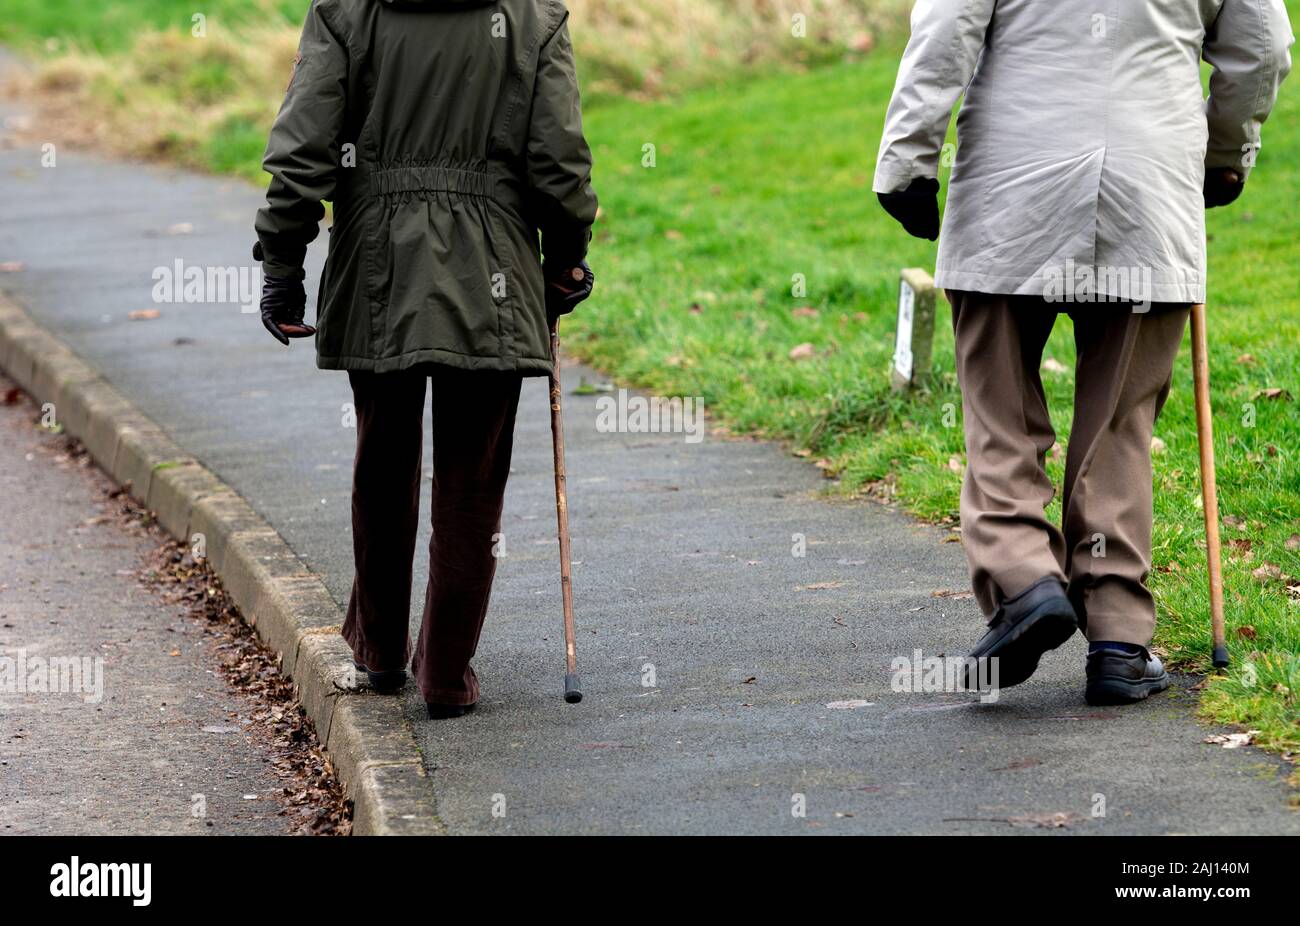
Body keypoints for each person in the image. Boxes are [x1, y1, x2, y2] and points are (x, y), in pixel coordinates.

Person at [873, 0, 1292, 704]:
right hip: (1148, 185)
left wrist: (907, 161)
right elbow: (1263, 45)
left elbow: (947, 27)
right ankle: (1119, 640)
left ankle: (1025, 582)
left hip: (1012, 189)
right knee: (1120, 424)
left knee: (998, 405)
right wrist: (1224, 156)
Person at [253, 0, 597, 719]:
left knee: (382, 460)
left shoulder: (346, 13)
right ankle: (445, 674)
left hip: (378, 263)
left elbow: (302, 144)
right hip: (493, 269)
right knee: (472, 482)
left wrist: (283, 258)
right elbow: (558, 159)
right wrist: (564, 261)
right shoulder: (534, 19)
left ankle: (379, 653)